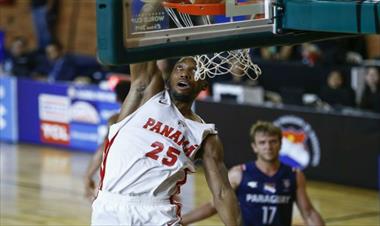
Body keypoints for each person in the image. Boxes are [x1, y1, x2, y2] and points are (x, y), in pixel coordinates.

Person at [91, 58, 241, 226]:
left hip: (157, 213)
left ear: (204, 84)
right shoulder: (145, 97)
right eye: (180, 68)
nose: (185, 73)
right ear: (169, 77)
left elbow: (222, 192)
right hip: (110, 206)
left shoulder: (204, 135)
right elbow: (140, 49)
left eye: (194, 71)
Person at [182, 121, 325, 226]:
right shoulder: (239, 173)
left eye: (273, 142)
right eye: (262, 143)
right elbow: (214, 205)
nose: (268, 147)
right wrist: (181, 221)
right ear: (254, 147)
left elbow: (309, 213)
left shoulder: (294, 175)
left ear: (281, 144)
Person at [84, 80, 131, 201]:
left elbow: (103, 149)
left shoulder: (115, 119)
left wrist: (87, 176)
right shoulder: (152, 118)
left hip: (118, 176)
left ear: (117, 98)